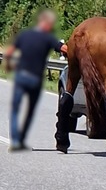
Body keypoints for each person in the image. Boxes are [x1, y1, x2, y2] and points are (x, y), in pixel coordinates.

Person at [4, 10, 68, 151]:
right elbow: (65, 49)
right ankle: (20, 140)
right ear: (48, 23)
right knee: (29, 111)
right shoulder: (49, 38)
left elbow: (8, 52)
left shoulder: (25, 34)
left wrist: (8, 66)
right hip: (35, 80)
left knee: (15, 109)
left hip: (21, 77)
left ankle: (15, 142)